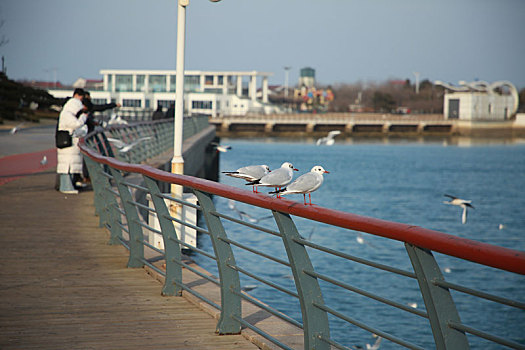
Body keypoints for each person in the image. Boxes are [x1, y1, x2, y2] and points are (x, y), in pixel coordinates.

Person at [56, 88, 88, 194]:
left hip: (69, 143)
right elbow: (76, 124)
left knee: (69, 165)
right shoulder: (67, 114)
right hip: (68, 144)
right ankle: (66, 186)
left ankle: (69, 185)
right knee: (67, 165)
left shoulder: (66, 113)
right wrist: (83, 118)